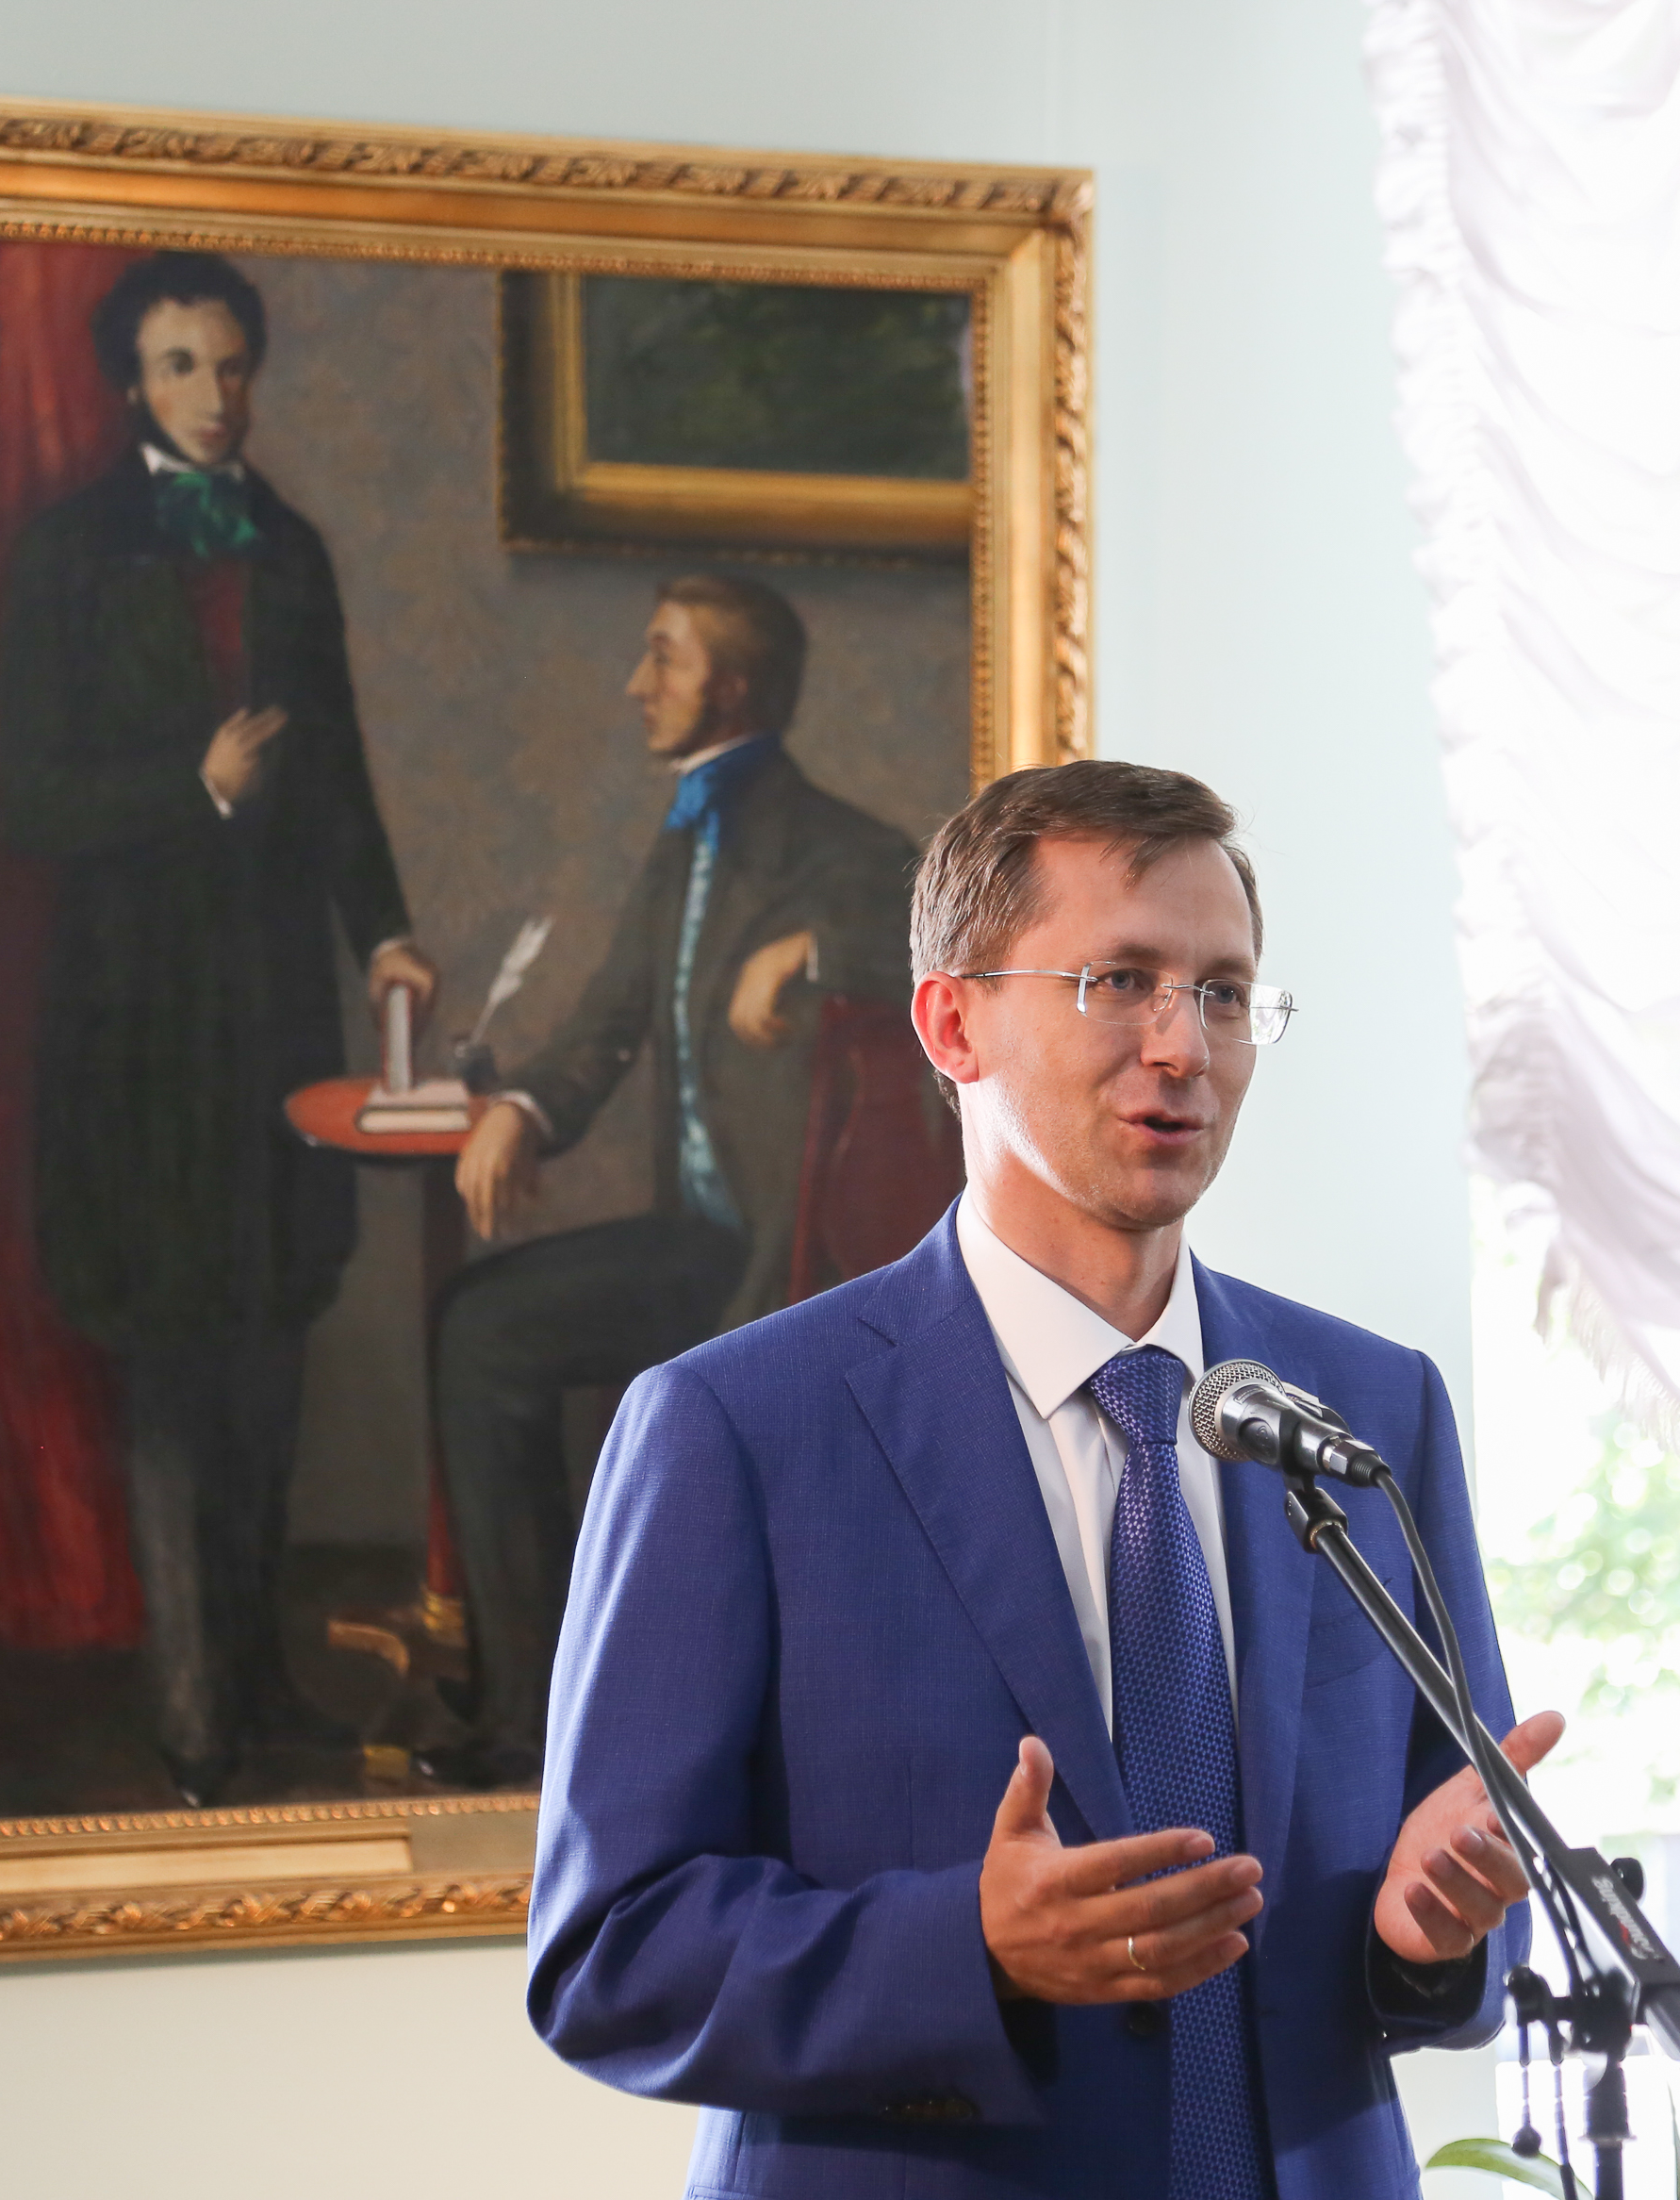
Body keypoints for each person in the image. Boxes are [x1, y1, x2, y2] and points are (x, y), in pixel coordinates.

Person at [526, 761, 1566, 2199]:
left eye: (1222, 992)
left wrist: (1431, 1935)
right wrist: (971, 1946)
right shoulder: (733, 1428)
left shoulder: (1372, 1408)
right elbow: (608, 1953)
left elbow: (1460, 1882)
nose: (1182, 1045)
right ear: (952, 1022)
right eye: (1119, 980)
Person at [0, 249, 439, 1808]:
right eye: (183, 364)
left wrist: (383, 928)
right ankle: (193, 1719)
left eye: (234, 364)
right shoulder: (68, 551)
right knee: (175, 1349)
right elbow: (22, 794)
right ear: (133, 381)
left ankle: (257, 1682)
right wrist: (192, 786)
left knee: (266, 1342)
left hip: (271, 1010)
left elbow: (339, 773)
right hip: (132, 1019)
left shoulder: (290, 549)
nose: (216, 392)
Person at [421, 572, 916, 1791]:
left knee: (497, 1337)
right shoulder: (686, 838)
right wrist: (525, 1110)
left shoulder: (842, 848)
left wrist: (814, 948)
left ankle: (599, 1720)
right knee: (478, 1325)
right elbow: (607, 1023)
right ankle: (538, 1708)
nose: (637, 683)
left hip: (797, 1262)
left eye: (664, 658)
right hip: (700, 1243)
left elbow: (963, 946)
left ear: (729, 687)